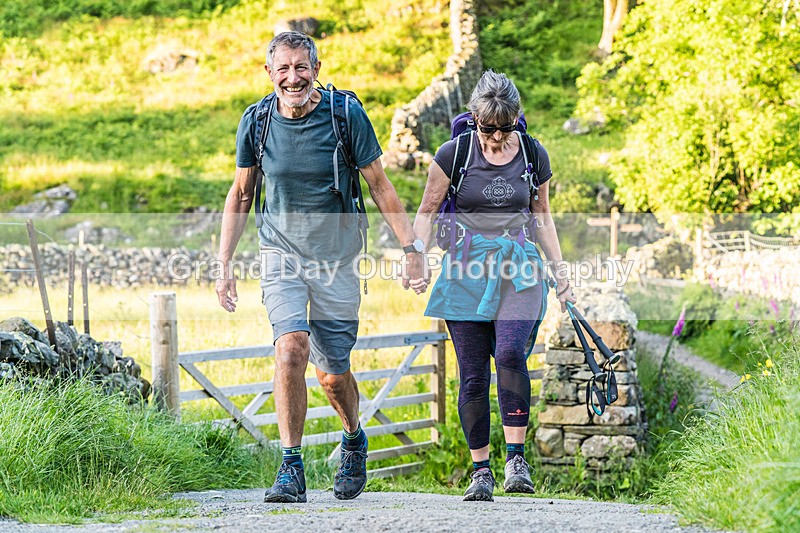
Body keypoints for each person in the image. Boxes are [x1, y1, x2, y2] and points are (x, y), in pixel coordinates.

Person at [215, 31, 426, 504]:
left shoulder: (344, 115)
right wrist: (224, 262)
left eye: (301, 67)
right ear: (269, 73)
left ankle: (353, 437)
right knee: (291, 349)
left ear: (316, 69)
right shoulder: (256, 122)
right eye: (283, 69)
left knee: (332, 372)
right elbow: (242, 194)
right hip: (281, 253)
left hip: (338, 259)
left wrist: (411, 247)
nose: (293, 77)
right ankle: (291, 468)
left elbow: (380, 186)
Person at [412, 70, 577, 501]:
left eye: (505, 129)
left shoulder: (534, 154)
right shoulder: (454, 153)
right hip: (464, 271)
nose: (496, 138)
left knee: (507, 352)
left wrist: (561, 274)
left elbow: (542, 216)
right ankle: (481, 469)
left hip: (519, 268)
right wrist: (417, 257)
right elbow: (427, 211)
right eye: (488, 128)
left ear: (516, 121)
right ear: (474, 118)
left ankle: (516, 460)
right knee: (471, 376)